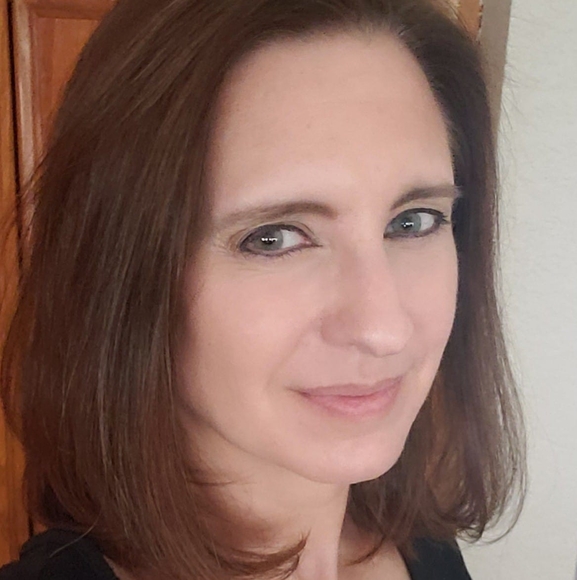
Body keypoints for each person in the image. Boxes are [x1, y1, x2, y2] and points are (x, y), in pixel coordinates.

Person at [0, 0, 526, 578]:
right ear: (120, 271)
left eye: (412, 222)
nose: (383, 329)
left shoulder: (428, 552)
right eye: (273, 239)